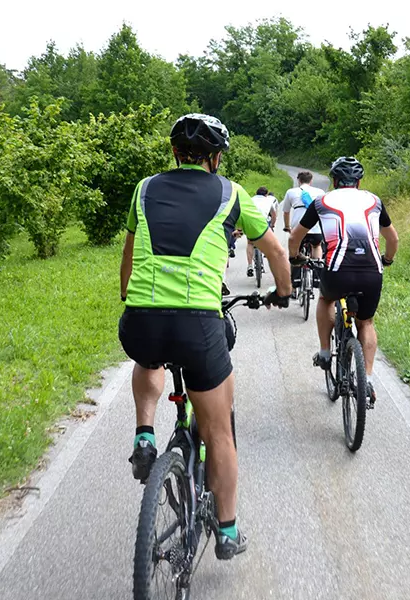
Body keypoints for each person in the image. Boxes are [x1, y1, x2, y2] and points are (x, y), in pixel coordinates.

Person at [118, 113, 292, 560]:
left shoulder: (144, 188)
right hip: (197, 324)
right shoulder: (231, 194)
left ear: (175, 153)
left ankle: (144, 433)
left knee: (149, 357)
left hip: (140, 321)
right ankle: (229, 531)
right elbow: (273, 249)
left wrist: (132, 298)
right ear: (216, 157)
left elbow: (130, 254)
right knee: (219, 433)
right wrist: (284, 292)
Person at [287, 157, 398, 408]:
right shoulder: (374, 201)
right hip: (371, 271)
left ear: (334, 181)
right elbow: (394, 240)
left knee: (326, 298)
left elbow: (296, 236)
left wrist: (295, 257)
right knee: (366, 322)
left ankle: (326, 353)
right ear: (359, 182)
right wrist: (387, 260)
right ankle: (367, 380)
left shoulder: (322, 201)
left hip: (337, 271)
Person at [282, 171, 326, 295]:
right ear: (311, 181)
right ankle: (317, 277)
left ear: (298, 180)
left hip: (298, 228)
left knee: (295, 254)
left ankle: (295, 285)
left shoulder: (291, 192)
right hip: (316, 228)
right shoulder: (320, 193)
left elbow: (286, 212)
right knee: (317, 246)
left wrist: (287, 226)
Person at [246, 187, 277, 278]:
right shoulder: (269, 201)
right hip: (263, 222)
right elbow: (274, 215)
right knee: (267, 242)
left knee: (250, 243)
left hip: (251, 222)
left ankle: (250, 265)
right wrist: (272, 225)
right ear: (266, 194)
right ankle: (265, 259)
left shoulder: (250, 200)